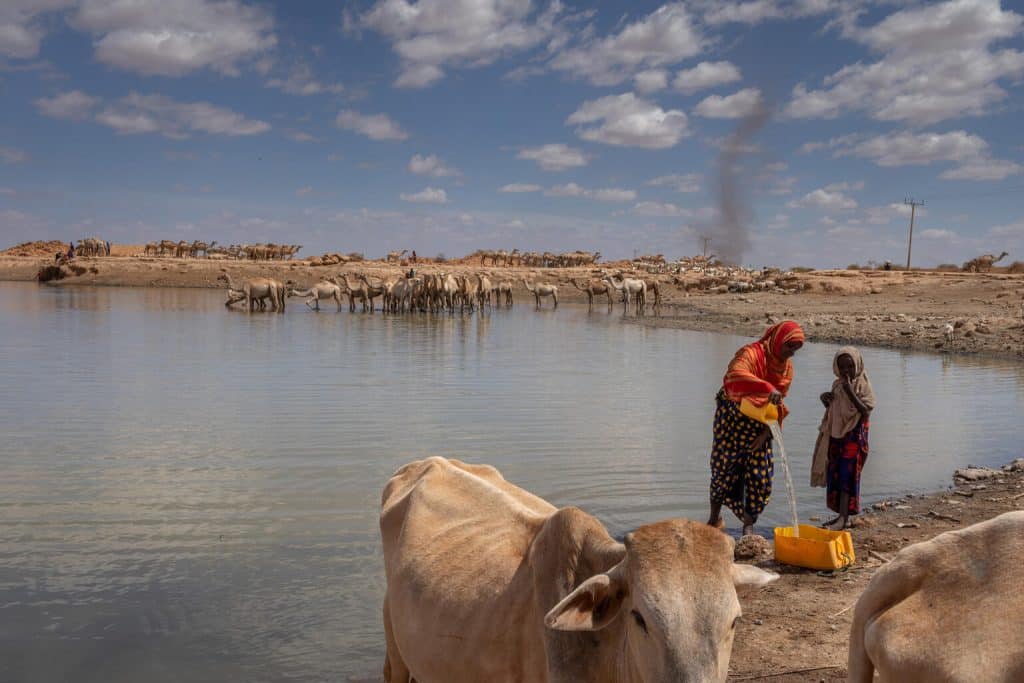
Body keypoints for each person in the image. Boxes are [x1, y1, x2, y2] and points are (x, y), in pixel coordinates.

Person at [708, 320, 805, 536]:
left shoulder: (786, 369)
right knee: (723, 469)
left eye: (796, 349)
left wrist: (764, 435)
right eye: (789, 347)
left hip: (760, 424)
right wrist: (765, 387)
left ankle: (748, 525)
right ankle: (714, 519)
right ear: (778, 339)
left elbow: (776, 405)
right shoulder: (752, 354)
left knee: (759, 477)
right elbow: (735, 375)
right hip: (731, 420)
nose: (791, 354)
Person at [811, 347, 874, 530]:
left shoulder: (862, 384)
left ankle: (844, 519)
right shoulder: (837, 384)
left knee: (848, 476)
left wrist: (850, 391)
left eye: (850, 366)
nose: (846, 371)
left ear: (857, 365)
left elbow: (866, 411)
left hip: (854, 437)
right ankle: (841, 515)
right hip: (837, 436)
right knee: (836, 474)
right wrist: (825, 399)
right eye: (842, 367)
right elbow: (835, 409)